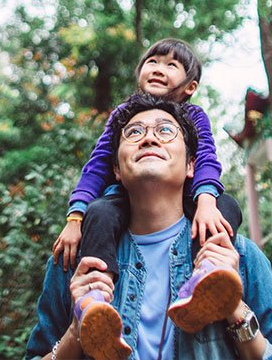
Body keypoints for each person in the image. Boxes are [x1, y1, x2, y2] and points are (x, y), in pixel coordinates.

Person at [26, 94, 272, 360]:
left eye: (165, 130)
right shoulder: (76, 262)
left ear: (191, 164)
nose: (149, 138)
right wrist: (76, 332)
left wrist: (234, 307)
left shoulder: (240, 257)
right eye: (133, 133)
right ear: (117, 170)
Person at [51, 39, 245, 337]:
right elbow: (97, 165)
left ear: (190, 87)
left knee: (225, 206)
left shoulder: (194, 117)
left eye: (171, 65)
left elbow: (206, 157)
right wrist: (75, 217)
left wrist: (206, 199)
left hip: (186, 195)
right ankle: (94, 299)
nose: (158, 68)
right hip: (124, 197)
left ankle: (207, 277)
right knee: (99, 211)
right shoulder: (123, 115)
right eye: (152, 62)